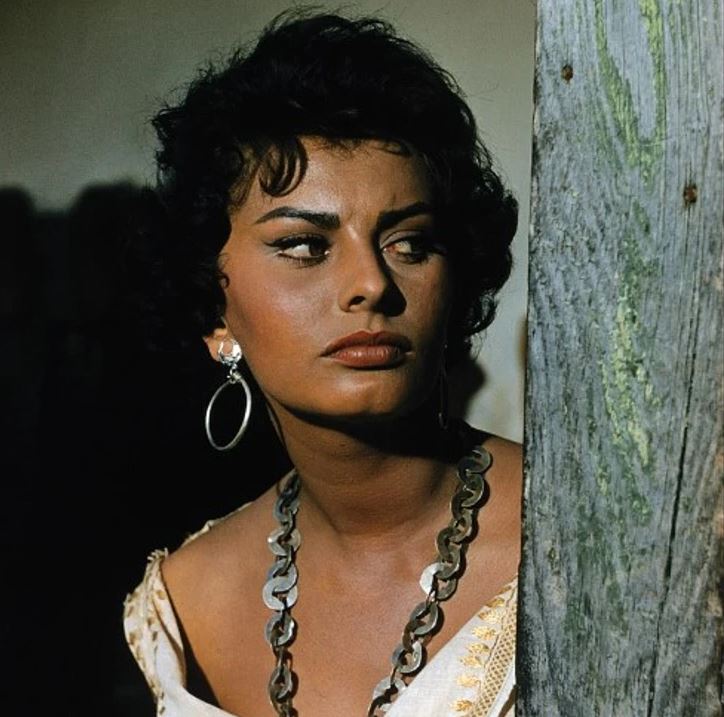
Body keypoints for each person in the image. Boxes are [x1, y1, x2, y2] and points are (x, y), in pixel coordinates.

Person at [123, 10, 521, 717]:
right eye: (305, 246)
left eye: (410, 243)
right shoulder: (186, 604)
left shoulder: (569, 536)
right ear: (215, 314)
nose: (371, 284)